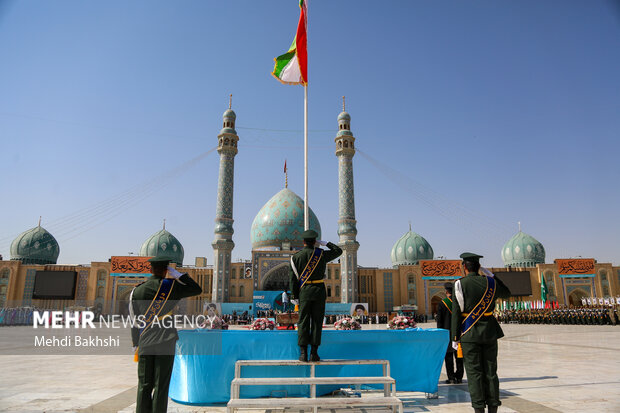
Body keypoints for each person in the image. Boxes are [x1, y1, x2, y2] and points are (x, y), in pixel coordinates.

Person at [130, 255, 202, 413]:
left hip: (144, 343)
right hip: (165, 341)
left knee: (144, 385)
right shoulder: (171, 286)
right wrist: (179, 275)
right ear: (166, 270)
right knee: (161, 386)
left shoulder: (137, 291)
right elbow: (197, 289)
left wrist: (136, 343)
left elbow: (134, 321)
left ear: (150, 269)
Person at [450, 253, 511, 413]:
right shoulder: (490, 283)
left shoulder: (459, 284)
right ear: (479, 267)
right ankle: (493, 408)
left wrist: (455, 338)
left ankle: (478, 409)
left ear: (464, 267)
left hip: (469, 335)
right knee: (491, 372)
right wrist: (494, 276)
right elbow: (507, 293)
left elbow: (456, 313)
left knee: (474, 373)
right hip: (490, 333)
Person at [289, 229, 342, 362]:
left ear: (303, 242)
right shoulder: (321, 254)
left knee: (303, 321)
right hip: (319, 290)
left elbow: (293, 279)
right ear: (315, 241)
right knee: (317, 322)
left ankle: (302, 353)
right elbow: (338, 251)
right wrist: (326, 243)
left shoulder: (295, 257)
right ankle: (314, 353)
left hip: (304, 292)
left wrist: (294, 296)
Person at [436, 282, 464, 384]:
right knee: (459, 356)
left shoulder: (443, 304)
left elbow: (440, 322)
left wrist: (440, 335)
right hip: (460, 333)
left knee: (449, 357)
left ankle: (451, 377)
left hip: (447, 334)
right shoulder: (460, 302)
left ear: (446, 291)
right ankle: (460, 377)